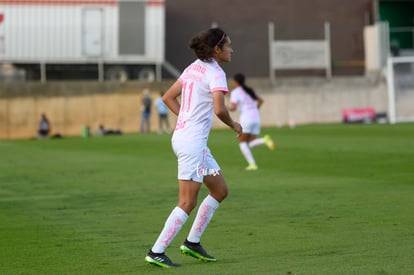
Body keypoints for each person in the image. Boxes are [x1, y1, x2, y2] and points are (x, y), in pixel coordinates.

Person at [144, 27, 242, 268]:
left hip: (187, 140)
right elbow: (220, 109)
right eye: (228, 46)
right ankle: (156, 251)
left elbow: (168, 97)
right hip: (193, 144)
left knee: (219, 189)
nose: (232, 50)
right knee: (187, 202)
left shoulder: (193, 67)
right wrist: (234, 125)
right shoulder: (216, 73)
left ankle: (192, 242)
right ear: (217, 49)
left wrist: (184, 117)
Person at [228, 73, 275, 171]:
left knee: (242, 143)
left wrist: (223, 108)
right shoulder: (250, 90)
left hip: (246, 118)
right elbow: (261, 100)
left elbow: (233, 107)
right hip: (256, 118)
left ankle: (252, 164)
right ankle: (264, 140)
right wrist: (255, 110)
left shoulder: (236, 92)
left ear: (236, 82)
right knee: (249, 143)